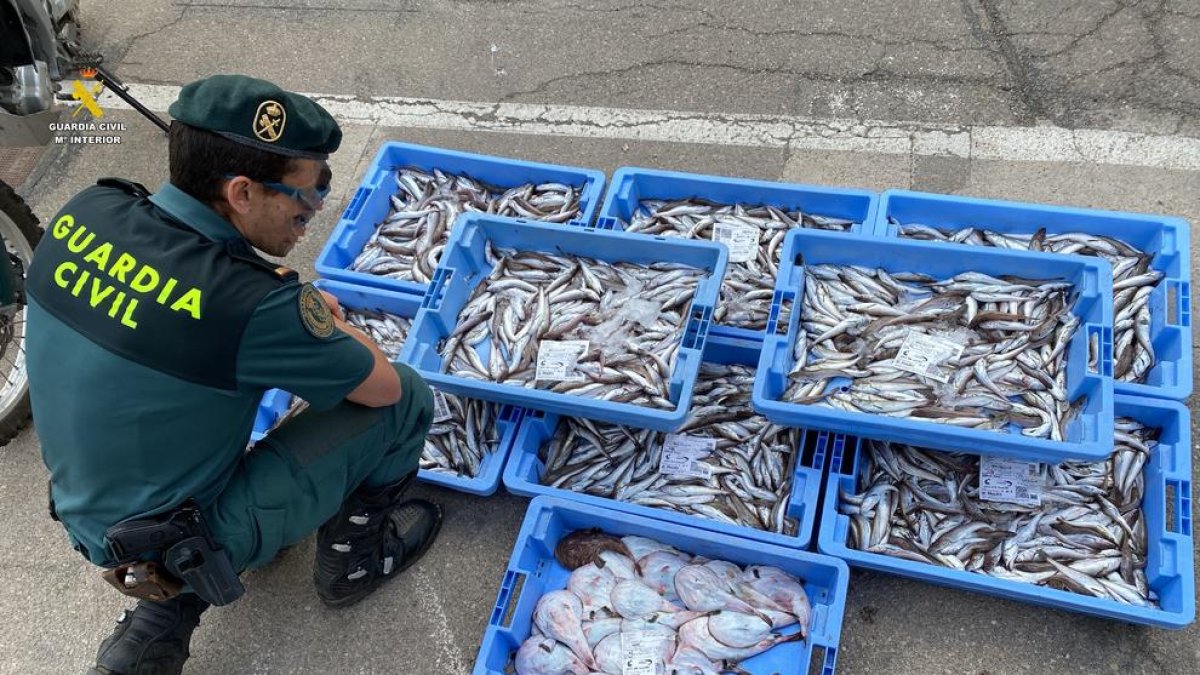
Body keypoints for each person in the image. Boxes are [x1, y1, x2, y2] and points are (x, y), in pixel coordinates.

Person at [25, 74, 441, 675]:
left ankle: (162, 611)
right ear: (242, 192)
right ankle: (351, 564)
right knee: (408, 402)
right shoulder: (247, 303)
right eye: (307, 191)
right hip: (182, 526)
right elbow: (383, 387)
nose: (316, 207)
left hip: (88, 510)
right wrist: (315, 315)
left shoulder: (91, 207)